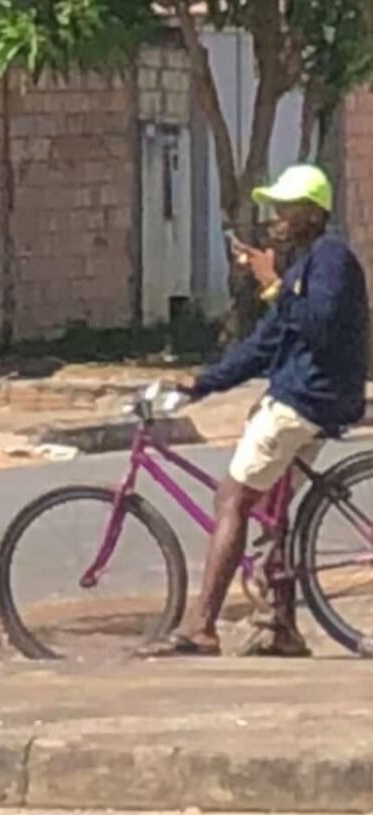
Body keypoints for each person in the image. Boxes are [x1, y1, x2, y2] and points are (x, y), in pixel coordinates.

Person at [144, 164, 370, 657]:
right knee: (272, 512)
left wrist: (272, 285)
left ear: (313, 214)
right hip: (302, 395)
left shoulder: (330, 260)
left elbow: (320, 326)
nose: (276, 219)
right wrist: (201, 383)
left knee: (232, 500)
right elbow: (265, 345)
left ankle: (201, 626)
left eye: (286, 210)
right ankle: (279, 627)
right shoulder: (303, 269)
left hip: (305, 399)